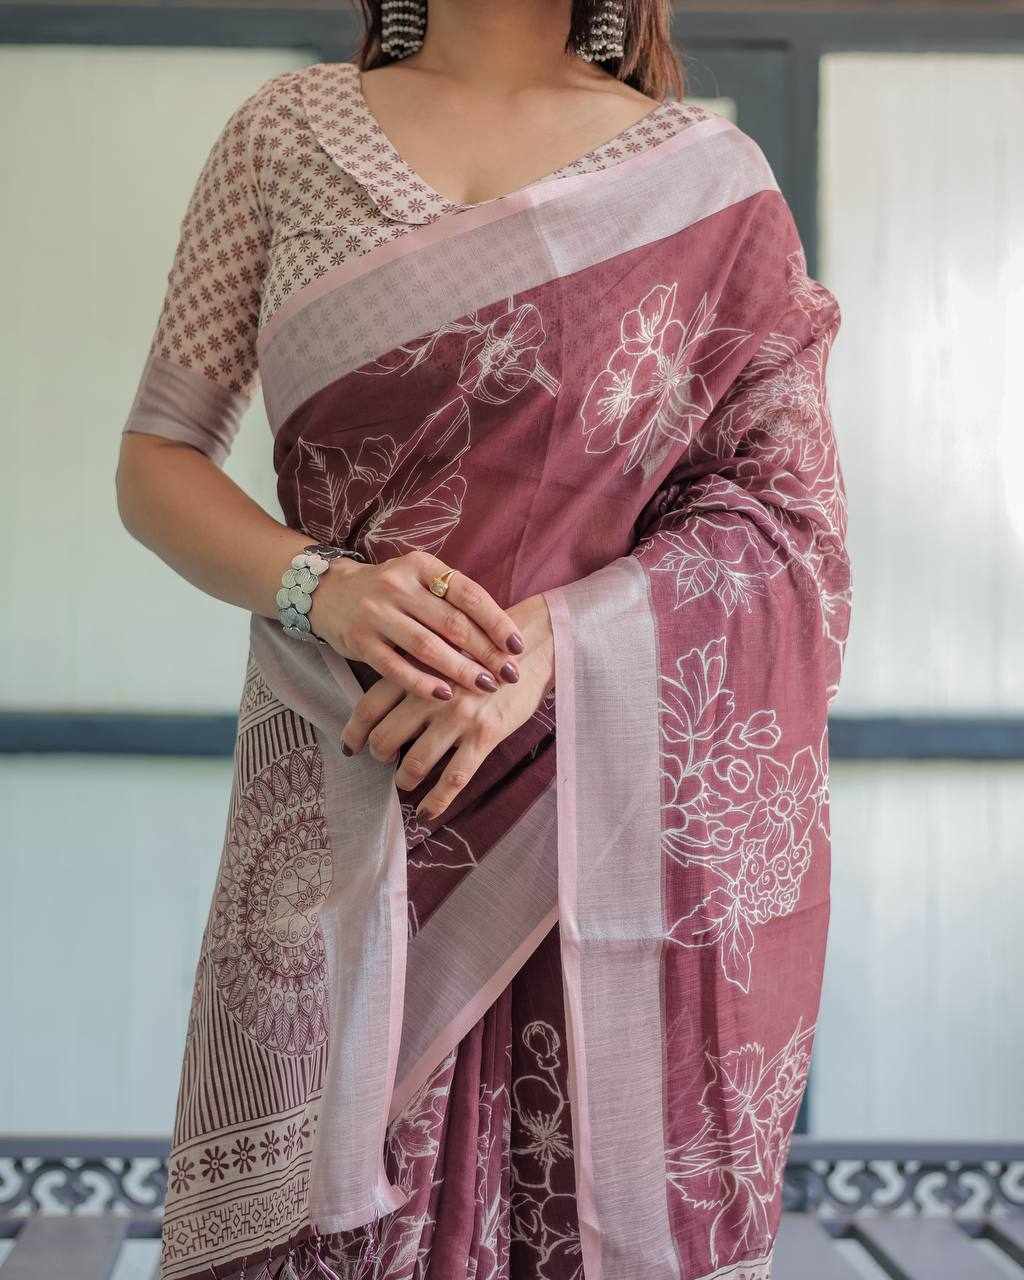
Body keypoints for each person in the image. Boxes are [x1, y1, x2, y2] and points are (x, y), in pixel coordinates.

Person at [115, 2, 852, 1277]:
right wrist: (322, 587)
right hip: (341, 780)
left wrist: (548, 648)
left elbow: (784, 524)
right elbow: (156, 459)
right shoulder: (283, 139)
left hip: (587, 821)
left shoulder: (703, 184)